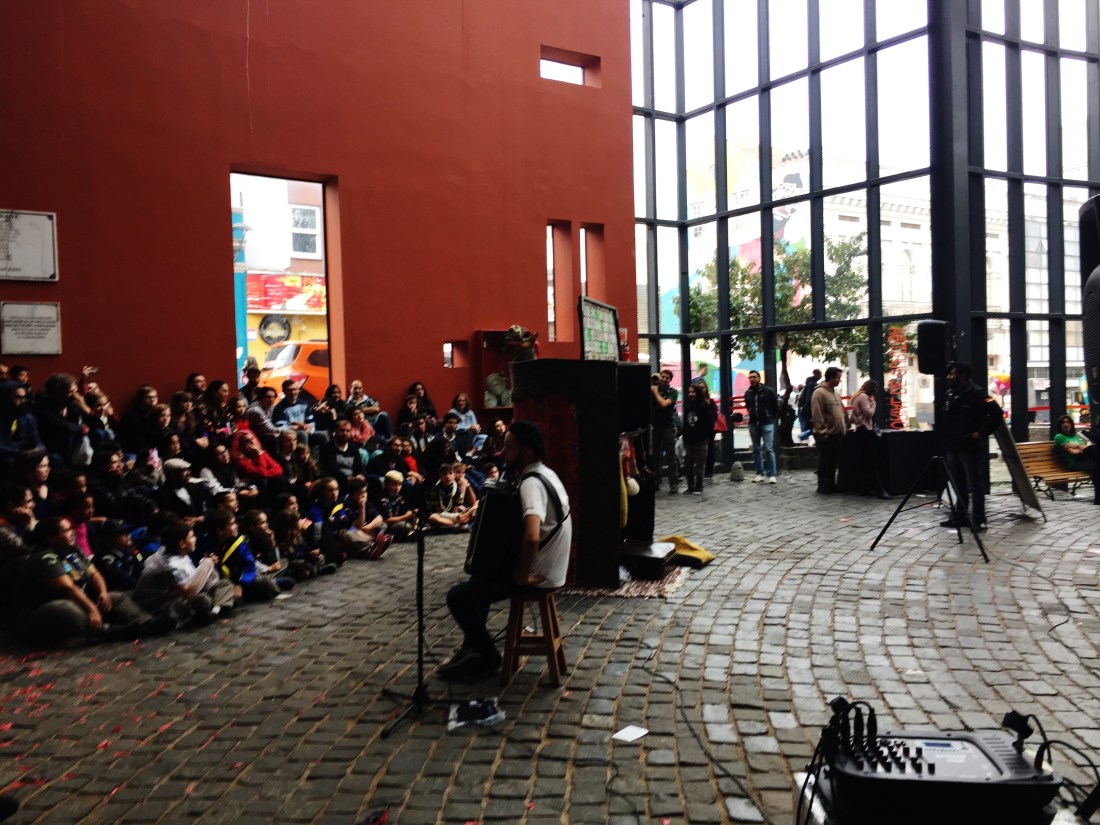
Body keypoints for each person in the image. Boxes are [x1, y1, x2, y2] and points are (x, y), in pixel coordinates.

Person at [438, 420, 571, 681]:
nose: (502, 453)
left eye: (509, 447)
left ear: (527, 451)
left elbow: (532, 537)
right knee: (480, 577)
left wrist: (521, 576)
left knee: (457, 597)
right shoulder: (548, 474)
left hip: (540, 575)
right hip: (554, 569)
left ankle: (487, 655)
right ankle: (473, 649)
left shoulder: (530, 484)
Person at [941, 362, 1001, 531]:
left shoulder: (977, 393)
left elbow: (996, 413)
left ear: (963, 375)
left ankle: (979, 519)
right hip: (953, 444)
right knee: (957, 482)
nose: (948, 377)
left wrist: (981, 432)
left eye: (952, 373)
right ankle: (960, 516)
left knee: (974, 484)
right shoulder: (950, 393)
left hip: (969, 446)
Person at [846, 380, 889, 499]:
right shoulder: (864, 397)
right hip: (866, 430)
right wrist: (873, 403)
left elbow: (853, 418)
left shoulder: (857, 396)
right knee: (872, 461)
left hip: (861, 430)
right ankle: (879, 490)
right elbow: (869, 413)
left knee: (865, 461)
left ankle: (865, 488)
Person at [811, 366, 846, 494]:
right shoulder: (819, 393)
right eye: (838, 378)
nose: (839, 380)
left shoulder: (834, 393)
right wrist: (821, 431)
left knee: (833, 460)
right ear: (831, 377)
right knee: (825, 460)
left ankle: (831, 483)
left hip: (837, 433)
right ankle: (822, 484)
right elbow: (817, 414)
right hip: (827, 434)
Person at [1052, 414, 1098, 504]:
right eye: (1063, 423)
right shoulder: (1059, 437)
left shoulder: (1075, 436)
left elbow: (1084, 447)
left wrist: (1076, 446)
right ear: (1060, 425)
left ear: (1071, 424)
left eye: (1068, 422)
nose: (1066, 424)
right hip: (1075, 463)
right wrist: (1081, 447)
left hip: (1084, 460)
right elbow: (1073, 452)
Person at [744, 369, 778, 484]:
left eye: (754, 377)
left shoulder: (768, 391)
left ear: (759, 378)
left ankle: (772, 474)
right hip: (753, 423)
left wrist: (771, 418)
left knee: (768, 448)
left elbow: (775, 406)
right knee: (756, 449)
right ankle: (759, 473)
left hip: (767, 423)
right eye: (750, 377)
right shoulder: (748, 393)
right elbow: (748, 407)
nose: (752, 379)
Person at [681, 383, 715, 496]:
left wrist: (699, 433)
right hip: (689, 440)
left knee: (700, 464)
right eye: (689, 392)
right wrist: (685, 434)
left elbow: (709, 424)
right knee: (688, 464)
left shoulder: (705, 406)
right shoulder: (688, 406)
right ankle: (690, 487)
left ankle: (699, 486)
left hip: (700, 440)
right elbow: (686, 422)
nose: (691, 394)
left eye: (693, 392)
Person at [650, 369, 680, 495]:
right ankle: (656, 481)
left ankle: (673, 483)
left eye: (667, 378)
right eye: (662, 377)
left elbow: (663, 404)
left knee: (670, 456)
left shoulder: (672, 392)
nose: (664, 379)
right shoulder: (653, 390)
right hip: (656, 427)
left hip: (668, 427)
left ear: (670, 380)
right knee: (655, 456)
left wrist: (655, 392)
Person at [798, 369, 822, 441]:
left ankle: (804, 436)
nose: (821, 376)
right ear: (817, 374)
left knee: (806, 424)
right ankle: (803, 436)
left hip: (804, 408)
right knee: (810, 424)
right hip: (807, 408)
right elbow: (809, 397)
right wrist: (809, 407)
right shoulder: (812, 384)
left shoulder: (809, 383)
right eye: (820, 374)